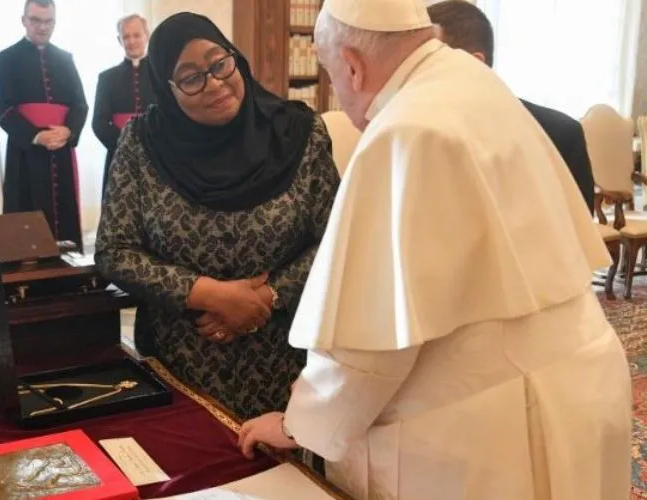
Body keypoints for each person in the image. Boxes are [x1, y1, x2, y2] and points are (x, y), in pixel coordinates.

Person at [238, 0, 632, 499]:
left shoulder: (404, 130)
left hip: (494, 425)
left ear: (353, 66)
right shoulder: (474, 82)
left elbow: (371, 349)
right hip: (583, 380)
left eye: (332, 74)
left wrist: (299, 424)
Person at [94, 13, 340, 420]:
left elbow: (336, 239)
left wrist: (266, 298)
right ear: (168, 88)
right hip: (180, 361)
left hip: (285, 358)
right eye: (191, 78)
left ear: (235, 57)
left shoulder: (299, 132)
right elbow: (114, 251)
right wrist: (211, 295)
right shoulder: (140, 144)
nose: (214, 83)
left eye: (219, 64)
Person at [427, 0, 595, 213]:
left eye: (427, 64)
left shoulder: (559, 135)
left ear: (474, 63)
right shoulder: (414, 134)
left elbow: (578, 228)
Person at [0, 0, 88, 248]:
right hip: (25, 152)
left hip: (61, 149)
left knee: (65, 220)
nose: (43, 27)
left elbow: (80, 105)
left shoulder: (65, 59)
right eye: (36, 20)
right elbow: (4, 110)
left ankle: (68, 268)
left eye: (48, 22)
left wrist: (68, 131)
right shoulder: (6, 59)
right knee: (24, 215)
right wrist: (36, 136)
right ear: (24, 21)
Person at [93, 14, 157, 198]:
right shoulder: (107, 78)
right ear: (119, 40)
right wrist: (124, 146)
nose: (131, 41)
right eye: (126, 36)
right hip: (119, 155)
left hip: (156, 156)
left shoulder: (160, 73)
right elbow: (99, 123)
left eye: (136, 35)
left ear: (147, 35)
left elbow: (171, 116)